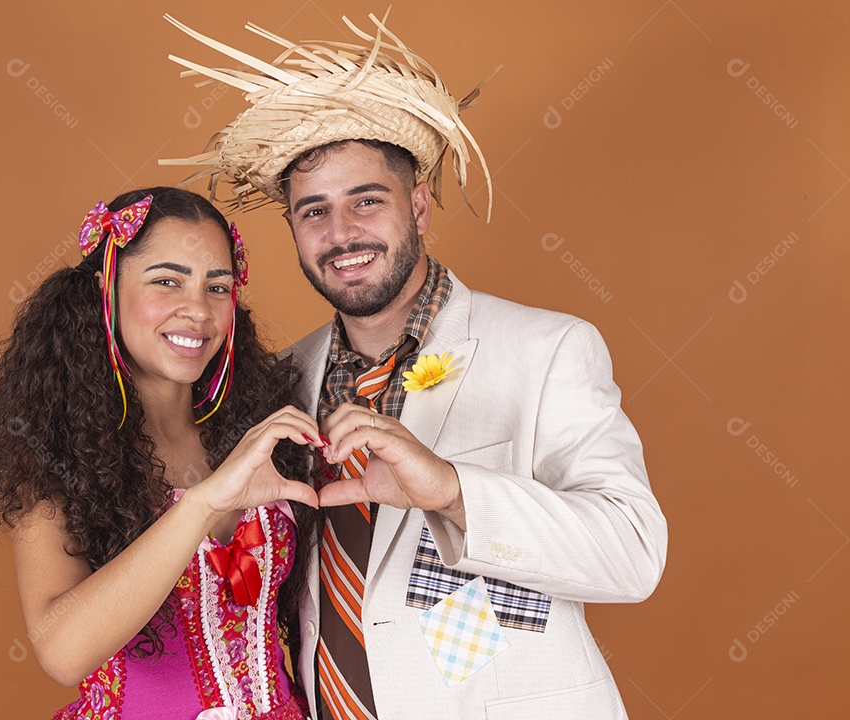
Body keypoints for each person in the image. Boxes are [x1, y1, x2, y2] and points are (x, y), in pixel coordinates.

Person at [163, 13, 669, 720]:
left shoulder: (547, 350)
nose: (341, 235)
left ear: (420, 206)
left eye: (366, 202)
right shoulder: (278, 381)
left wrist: (452, 491)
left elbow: (632, 552)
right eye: (314, 213)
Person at [0, 186, 326, 720]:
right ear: (105, 289)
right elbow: (63, 652)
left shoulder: (263, 427)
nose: (197, 310)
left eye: (217, 286)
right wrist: (203, 503)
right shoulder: (55, 450)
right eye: (167, 281)